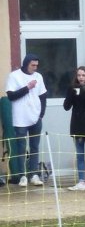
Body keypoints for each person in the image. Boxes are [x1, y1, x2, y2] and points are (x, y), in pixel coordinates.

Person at [5, 53, 47, 187]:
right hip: (20, 118)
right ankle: (22, 175)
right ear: (26, 63)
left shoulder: (38, 76)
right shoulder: (14, 76)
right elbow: (11, 96)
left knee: (35, 146)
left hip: (36, 118)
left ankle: (34, 174)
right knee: (21, 148)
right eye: (32, 65)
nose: (35, 68)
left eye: (36, 65)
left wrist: (41, 114)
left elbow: (43, 96)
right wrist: (27, 88)